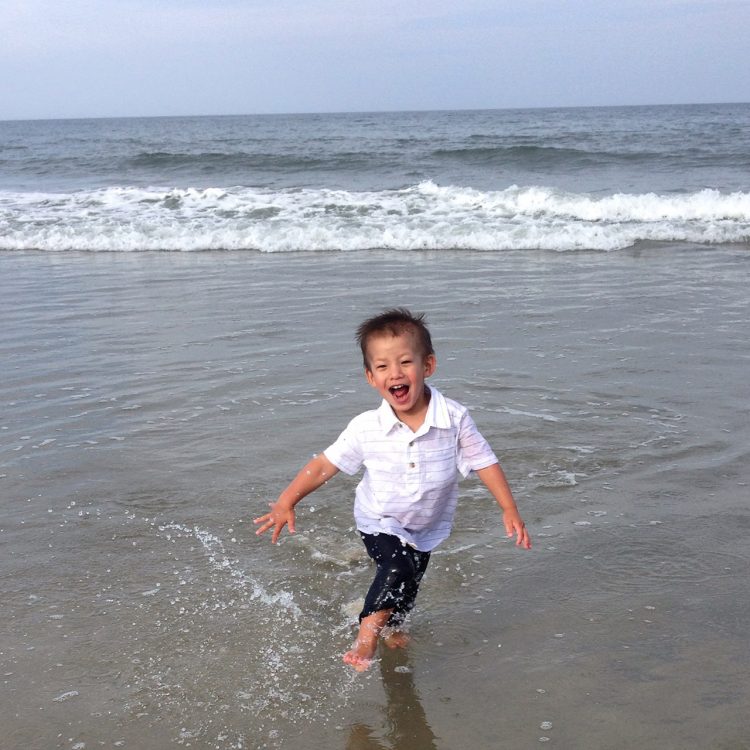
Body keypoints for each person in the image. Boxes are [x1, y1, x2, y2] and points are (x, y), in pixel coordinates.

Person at [254, 308, 531, 672]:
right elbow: (324, 464)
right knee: (397, 565)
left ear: (428, 365)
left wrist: (509, 509)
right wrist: (287, 501)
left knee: (410, 581)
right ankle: (367, 635)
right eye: (382, 366)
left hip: (426, 526)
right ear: (370, 377)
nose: (395, 373)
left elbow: (484, 461)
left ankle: (393, 626)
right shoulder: (367, 427)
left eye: (405, 362)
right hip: (377, 520)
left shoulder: (454, 418)